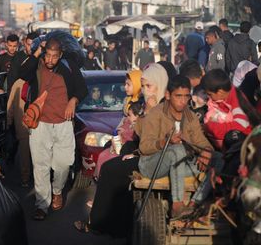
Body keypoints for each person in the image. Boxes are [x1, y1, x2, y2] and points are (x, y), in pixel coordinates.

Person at [74, 63, 169, 237]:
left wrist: (135, 152)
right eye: (144, 86)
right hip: (140, 150)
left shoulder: (164, 106)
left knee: (112, 170)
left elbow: (155, 140)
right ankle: (115, 225)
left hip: (154, 157)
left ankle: (100, 223)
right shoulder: (148, 104)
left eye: (149, 86)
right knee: (113, 167)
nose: (146, 90)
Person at [19, 38, 87, 220]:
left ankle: (57, 190)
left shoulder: (69, 67)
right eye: (47, 55)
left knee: (64, 163)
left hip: (63, 124)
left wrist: (73, 100)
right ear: (43, 52)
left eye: (54, 56)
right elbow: (21, 73)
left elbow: (82, 89)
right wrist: (35, 53)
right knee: (40, 165)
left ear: (61, 55)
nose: (50, 60)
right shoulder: (36, 66)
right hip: (40, 124)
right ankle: (42, 204)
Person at [138, 75, 219, 218]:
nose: (183, 101)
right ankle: (177, 206)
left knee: (219, 158)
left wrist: (207, 152)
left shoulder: (191, 116)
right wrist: (165, 142)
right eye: (178, 96)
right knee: (178, 150)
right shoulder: (155, 114)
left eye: (186, 96)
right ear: (168, 95)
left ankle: (195, 204)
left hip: (181, 164)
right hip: (152, 165)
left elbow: (202, 142)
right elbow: (144, 147)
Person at [202, 69, 252, 151]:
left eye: (210, 94)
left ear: (220, 92)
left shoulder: (237, 100)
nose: (209, 98)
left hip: (244, 143)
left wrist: (210, 127)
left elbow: (240, 126)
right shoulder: (223, 97)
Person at [93, 101, 143, 179]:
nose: (128, 117)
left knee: (109, 160)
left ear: (137, 116)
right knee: (103, 155)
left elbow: (133, 138)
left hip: (126, 150)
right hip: (118, 147)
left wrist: (124, 133)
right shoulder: (127, 122)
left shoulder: (139, 126)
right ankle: (100, 177)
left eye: (129, 115)